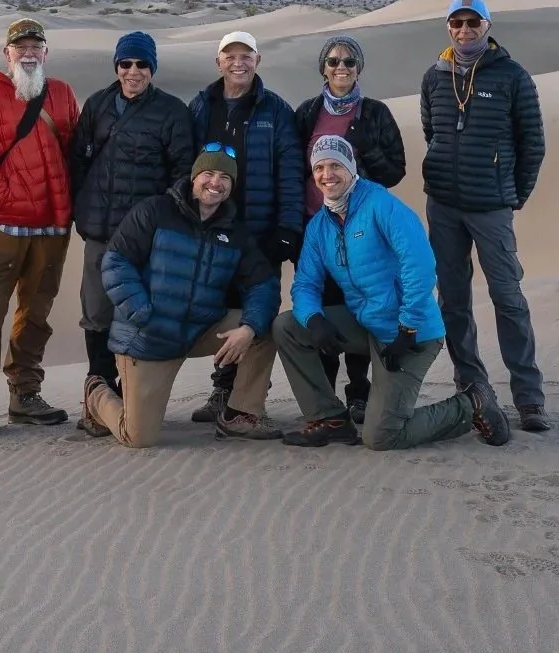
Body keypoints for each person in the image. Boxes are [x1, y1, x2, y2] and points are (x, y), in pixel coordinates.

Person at [274, 135, 511, 449]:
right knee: (288, 326)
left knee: (382, 436)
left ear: (350, 168)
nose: (327, 174)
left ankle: (472, 403)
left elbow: (421, 264)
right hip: (366, 323)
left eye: (335, 165)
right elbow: (305, 284)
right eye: (319, 167)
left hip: (410, 334)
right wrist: (314, 319)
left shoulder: (380, 205)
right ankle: (329, 420)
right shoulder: (320, 226)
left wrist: (408, 326)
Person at [82, 147, 282, 446]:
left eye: (225, 177)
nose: (216, 182)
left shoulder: (235, 232)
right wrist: (140, 312)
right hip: (149, 335)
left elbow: (263, 285)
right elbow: (115, 261)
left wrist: (248, 328)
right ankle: (96, 392)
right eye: (209, 174)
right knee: (137, 437)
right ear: (193, 178)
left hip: (199, 329)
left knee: (266, 327)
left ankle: (240, 415)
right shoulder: (155, 211)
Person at [419, 0, 551, 432]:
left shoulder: (513, 77)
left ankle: (529, 398)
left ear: (488, 27)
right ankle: (471, 389)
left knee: (508, 298)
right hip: (444, 205)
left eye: (473, 22)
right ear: (448, 28)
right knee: (453, 302)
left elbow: (533, 143)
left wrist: (515, 195)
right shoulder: (434, 78)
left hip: (491, 207)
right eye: (456, 23)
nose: (464, 30)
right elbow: (431, 132)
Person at [66, 30, 197, 436]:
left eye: (142, 64)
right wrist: (82, 209)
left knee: (135, 312)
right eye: (126, 64)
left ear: (152, 69)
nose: (133, 72)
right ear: (117, 67)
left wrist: (159, 221)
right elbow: (78, 161)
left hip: (145, 239)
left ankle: (128, 395)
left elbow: (183, 173)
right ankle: (96, 395)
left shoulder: (172, 112)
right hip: (100, 232)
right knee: (96, 312)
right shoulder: (99, 105)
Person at [0, 18, 81, 433]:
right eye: (20, 47)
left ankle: (25, 393)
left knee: (36, 315)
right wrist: (11, 199)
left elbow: (74, 152)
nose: (28, 54)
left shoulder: (62, 94)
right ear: (6, 53)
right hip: (4, 227)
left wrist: (61, 202)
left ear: (46, 52)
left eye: (36, 47)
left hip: (52, 226)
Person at [185, 29, 304, 424]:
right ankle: (222, 388)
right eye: (230, 56)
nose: (239, 63)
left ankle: (247, 397)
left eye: (246, 56)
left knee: (259, 310)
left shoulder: (276, 111)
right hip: (213, 229)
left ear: (258, 61)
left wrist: (287, 229)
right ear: (218, 62)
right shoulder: (202, 106)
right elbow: (186, 168)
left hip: (261, 232)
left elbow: (290, 173)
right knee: (221, 309)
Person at [290, 34, 406, 422]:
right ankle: (326, 398)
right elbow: (292, 168)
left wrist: (360, 151)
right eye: (334, 61)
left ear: (360, 68)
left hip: (361, 230)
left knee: (359, 304)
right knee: (321, 308)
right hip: (315, 230)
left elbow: (395, 171)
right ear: (323, 67)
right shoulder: (307, 113)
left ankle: (359, 391)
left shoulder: (375, 114)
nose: (342, 67)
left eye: (349, 61)